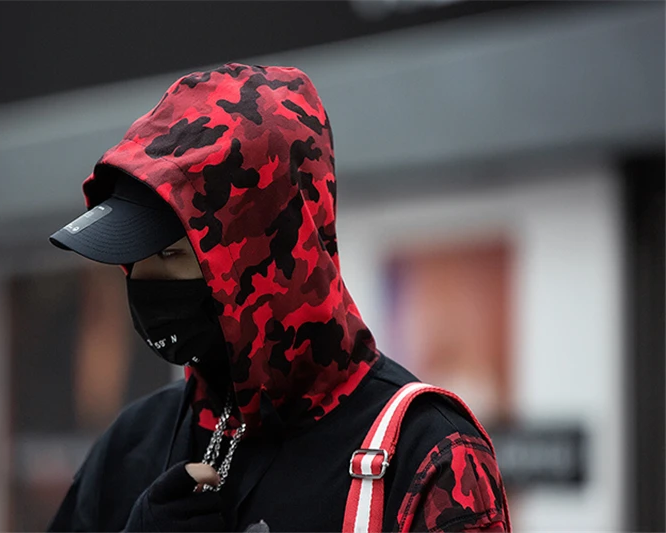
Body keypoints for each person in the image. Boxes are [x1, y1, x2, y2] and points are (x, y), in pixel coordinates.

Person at [47, 63, 511, 532]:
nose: (144, 279)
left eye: (170, 253)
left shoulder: (427, 453)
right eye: (134, 257)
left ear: (258, 255)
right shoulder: (132, 444)